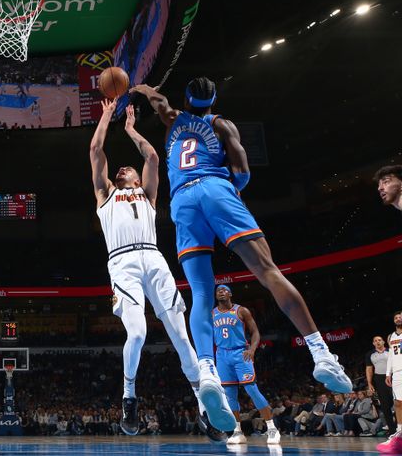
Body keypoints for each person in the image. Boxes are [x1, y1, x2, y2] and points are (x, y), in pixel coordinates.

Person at [132, 79, 351, 430]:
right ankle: (320, 353)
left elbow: (158, 100)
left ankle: (206, 372)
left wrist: (141, 89)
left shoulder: (173, 119)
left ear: (187, 100)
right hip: (215, 190)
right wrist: (225, 192)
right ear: (213, 100)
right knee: (268, 271)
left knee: (201, 293)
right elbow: (243, 172)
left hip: (183, 203)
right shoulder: (221, 124)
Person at [90, 100, 225, 442]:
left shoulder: (148, 195)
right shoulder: (105, 195)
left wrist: (132, 130)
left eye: (127, 169)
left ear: (136, 177)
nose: (122, 169)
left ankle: (206, 409)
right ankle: (129, 398)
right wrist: (106, 115)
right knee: (136, 334)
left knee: (182, 338)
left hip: (154, 260)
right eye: (119, 170)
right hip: (122, 262)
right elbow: (95, 149)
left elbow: (152, 157)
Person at [212, 285, 280, 445]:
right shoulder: (212, 314)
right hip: (222, 355)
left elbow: (255, 332)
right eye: (218, 291)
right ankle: (237, 432)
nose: (221, 292)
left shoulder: (241, 311)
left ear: (230, 293)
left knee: (251, 389)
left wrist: (252, 349)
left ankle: (272, 428)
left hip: (240, 353)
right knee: (229, 395)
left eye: (224, 289)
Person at [378, 311, 402, 453]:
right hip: (397, 373)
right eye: (396, 317)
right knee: (398, 403)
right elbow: (391, 357)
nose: (398, 318)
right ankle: (400, 432)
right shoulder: (390, 337)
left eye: (401, 317)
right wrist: (388, 373)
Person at [367, 335, 395, 433]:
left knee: (397, 403)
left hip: (393, 377)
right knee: (385, 406)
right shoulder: (370, 354)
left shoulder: (390, 351)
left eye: (379, 340)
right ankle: (392, 431)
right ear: (373, 343)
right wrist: (369, 383)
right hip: (379, 380)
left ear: (383, 342)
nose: (377, 342)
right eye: (375, 341)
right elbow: (369, 369)